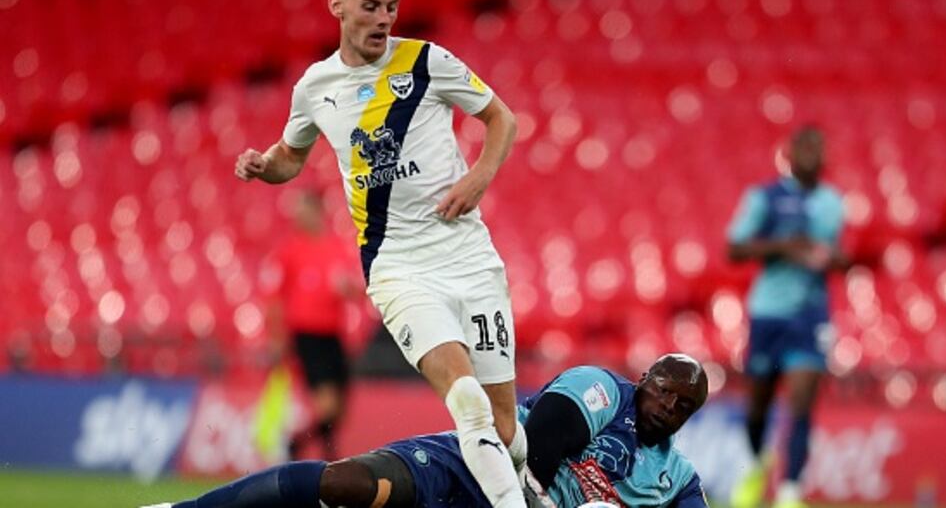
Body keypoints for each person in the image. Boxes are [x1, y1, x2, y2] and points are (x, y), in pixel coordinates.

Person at [234, 0, 524, 507]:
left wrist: (479, 177)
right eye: (371, 5)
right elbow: (290, 157)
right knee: (466, 401)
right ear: (338, 6)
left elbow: (501, 118)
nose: (384, 17)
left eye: (391, 6)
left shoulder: (427, 61)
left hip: (468, 257)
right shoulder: (315, 87)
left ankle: (526, 483)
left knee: (506, 428)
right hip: (398, 266)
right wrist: (263, 165)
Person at [145, 353, 711, 508]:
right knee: (348, 483)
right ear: (644, 379)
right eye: (664, 389)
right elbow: (538, 452)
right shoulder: (603, 389)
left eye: (684, 405)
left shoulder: (677, 480)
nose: (669, 406)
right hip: (477, 469)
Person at [726, 125, 848, 508]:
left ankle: (791, 490)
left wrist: (835, 259)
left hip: (810, 315)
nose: (813, 155)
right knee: (759, 403)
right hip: (768, 313)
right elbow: (734, 249)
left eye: (819, 148)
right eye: (805, 147)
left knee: (802, 400)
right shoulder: (764, 198)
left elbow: (839, 254)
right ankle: (757, 463)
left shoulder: (833, 202)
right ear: (790, 154)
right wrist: (783, 246)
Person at [262, 189, 362, 459]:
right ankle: (324, 457)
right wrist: (276, 338)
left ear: (318, 212)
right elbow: (275, 298)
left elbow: (357, 289)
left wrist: (348, 288)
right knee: (327, 404)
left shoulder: (336, 248)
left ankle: (299, 445)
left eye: (304, 211)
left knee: (340, 410)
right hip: (307, 336)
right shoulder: (289, 251)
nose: (298, 217)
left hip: (334, 335)